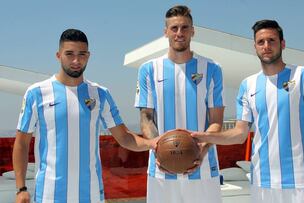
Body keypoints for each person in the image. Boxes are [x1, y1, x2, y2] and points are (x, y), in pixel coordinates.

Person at [192, 19, 304, 203]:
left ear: (282, 44)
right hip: (261, 184)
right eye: (261, 42)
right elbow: (239, 134)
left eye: (271, 40)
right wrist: (205, 137)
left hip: (300, 182)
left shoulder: (303, 75)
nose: (266, 46)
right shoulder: (247, 85)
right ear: (255, 47)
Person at [13, 28, 156, 203]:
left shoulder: (100, 94)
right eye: (69, 54)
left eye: (81, 54)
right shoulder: (36, 93)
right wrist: (21, 189)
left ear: (88, 56)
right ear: (58, 55)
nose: (76, 60)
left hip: (91, 194)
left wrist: (152, 143)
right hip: (49, 195)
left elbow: (125, 137)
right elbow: (21, 143)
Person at [134, 5, 225, 203]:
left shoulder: (212, 69)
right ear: (165, 32)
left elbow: (216, 120)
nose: (179, 33)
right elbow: (146, 118)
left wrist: (201, 149)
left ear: (193, 31)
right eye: (174, 28)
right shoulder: (148, 69)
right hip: (161, 168)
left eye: (185, 28)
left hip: (204, 167)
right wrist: (159, 148)